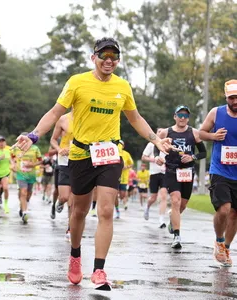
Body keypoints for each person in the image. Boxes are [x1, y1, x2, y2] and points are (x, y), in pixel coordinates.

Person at [13, 37, 172, 290]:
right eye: (104, 56)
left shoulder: (123, 87)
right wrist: (34, 135)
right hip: (81, 155)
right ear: (93, 57)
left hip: (110, 153)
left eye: (114, 57)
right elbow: (55, 112)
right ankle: (75, 255)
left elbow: (135, 118)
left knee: (106, 209)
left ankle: (99, 270)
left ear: (118, 61)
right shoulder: (77, 82)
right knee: (79, 211)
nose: (108, 61)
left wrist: (155, 140)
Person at [155, 105, 207, 249]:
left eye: (185, 116)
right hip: (172, 170)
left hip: (188, 172)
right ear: (175, 116)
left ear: (188, 118)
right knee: (176, 201)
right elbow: (156, 145)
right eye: (180, 115)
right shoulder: (166, 132)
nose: (183, 118)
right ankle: (177, 236)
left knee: (182, 205)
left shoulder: (194, 133)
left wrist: (192, 157)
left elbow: (203, 153)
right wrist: (157, 157)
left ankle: (173, 220)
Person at [199, 79, 237, 267]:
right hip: (220, 170)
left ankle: (227, 248)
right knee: (224, 209)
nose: (235, 101)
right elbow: (200, 133)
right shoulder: (217, 112)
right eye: (232, 97)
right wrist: (213, 136)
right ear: (226, 97)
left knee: (234, 214)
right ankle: (219, 241)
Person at [50, 111, 74, 240]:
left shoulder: (89, 118)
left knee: (73, 200)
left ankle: (70, 229)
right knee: (64, 197)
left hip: (81, 162)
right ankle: (59, 202)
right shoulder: (63, 119)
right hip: (64, 161)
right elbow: (53, 139)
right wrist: (59, 150)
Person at [11, 132, 42, 224]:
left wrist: (32, 164)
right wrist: (13, 164)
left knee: (28, 194)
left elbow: (41, 161)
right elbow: (12, 157)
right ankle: (25, 212)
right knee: (23, 192)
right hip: (21, 174)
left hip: (31, 175)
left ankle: (23, 205)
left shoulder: (35, 149)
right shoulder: (17, 148)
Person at [142, 129, 168, 228]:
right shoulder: (151, 145)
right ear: (156, 134)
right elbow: (143, 157)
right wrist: (153, 159)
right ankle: (147, 207)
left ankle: (161, 220)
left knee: (164, 196)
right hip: (154, 173)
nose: (161, 133)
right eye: (159, 132)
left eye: (163, 132)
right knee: (153, 197)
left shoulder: (167, 144)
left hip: (164, 173)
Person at [115, 140, 133, 218]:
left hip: (124, 178)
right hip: (115, 177)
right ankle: (117, 211)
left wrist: (126, 167)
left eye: (121, 144)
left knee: (122, 195)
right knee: (115, 195)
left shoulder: (126, 154)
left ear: (123, 146)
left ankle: (120, 200)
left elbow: (131, 163)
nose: (120, 146)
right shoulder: (114, 152)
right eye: (119, 144)